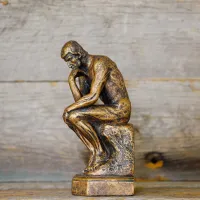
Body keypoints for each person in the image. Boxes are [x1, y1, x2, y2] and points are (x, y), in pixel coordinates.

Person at [61, 41, 131, 173]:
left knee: (72, 114)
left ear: (78, 54)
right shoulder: (83, 72)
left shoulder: (100, 63)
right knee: (69, 117)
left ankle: (100, 153)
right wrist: (71, 81)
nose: (69, 64)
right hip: (108, 109)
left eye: (70, 59)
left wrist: (68, 108)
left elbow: (92, 97)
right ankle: (95, 151)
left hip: (120, 109)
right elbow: (82, 102)